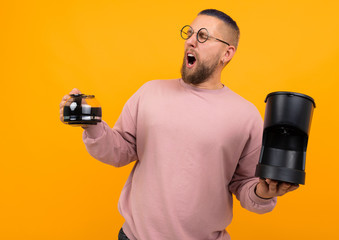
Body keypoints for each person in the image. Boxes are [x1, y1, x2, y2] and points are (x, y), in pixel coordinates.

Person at [59, 9, 299, 240]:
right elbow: (119, 151)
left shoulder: (246, 115)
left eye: (203, 36)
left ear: (227, 53)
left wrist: (262, 194)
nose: (191, 42)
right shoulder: (149, 92)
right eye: (190, 33)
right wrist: (91, 124)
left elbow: (245, 184)